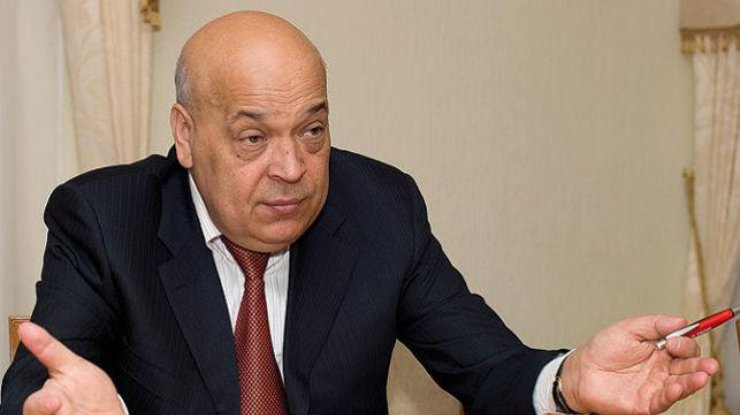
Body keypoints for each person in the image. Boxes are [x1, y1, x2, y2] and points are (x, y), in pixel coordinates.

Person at [0, 11, 718, 415]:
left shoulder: (380, 209)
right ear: (185, 135)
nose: (292, 167)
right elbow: (35, 390)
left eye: (313, 130)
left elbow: (488, 366)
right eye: (253, 138)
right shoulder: (106, 219)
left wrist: (568, 382)